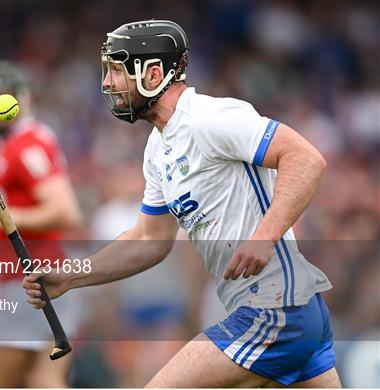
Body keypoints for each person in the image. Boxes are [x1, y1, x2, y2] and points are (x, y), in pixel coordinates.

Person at [24, 20, 342, 387]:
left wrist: (265, 235)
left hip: (275, 309)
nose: (107, 84)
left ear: (154, 73)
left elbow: (305, 159)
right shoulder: (158, 148)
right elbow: (150, 240)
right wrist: (70, 276)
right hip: (286, 311)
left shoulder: (209, 118)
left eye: (116, 71)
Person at [0, 61, 82, 387]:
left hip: (20, 281)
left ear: (21, 99)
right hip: (44, 276)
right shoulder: (23, 142)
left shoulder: (25, 144)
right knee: (44, 381)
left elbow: (66, 212)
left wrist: (2, 217)